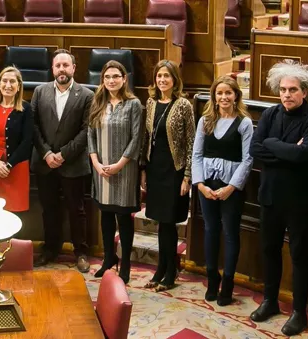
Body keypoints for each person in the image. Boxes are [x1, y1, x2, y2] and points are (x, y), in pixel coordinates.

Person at [248, 60, 308, 336]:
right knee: (269, 250)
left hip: (299, 202)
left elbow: (305, 155)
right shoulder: (269, 115)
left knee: (298, 256)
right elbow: (257, 148)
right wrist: (288, 150)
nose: (286, 95)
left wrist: (275, 146)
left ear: (304, 91)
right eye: (282, 89)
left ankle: (299, 312)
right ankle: (270, 301)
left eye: (292, 89)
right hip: (269, 196)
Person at [191, 75, 253, 306]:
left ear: (236, 95)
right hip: (206, 185)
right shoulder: (205, 120)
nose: (224, 97)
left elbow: (248, 160)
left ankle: (227, 282)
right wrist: (200, 185)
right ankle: (212, 278)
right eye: (220, 93)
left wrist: (231, 187)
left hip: (231, 188)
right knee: (210, 230)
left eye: (228, 92)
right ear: (214, 97)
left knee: (230, 233)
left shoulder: (244, 123)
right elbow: (196, 155)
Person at [31, 49, 94, 273]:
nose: (62, 70)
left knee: (77, 209)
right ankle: (50, 249)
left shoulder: (87, 95)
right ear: (52, 68)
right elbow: (34, 126)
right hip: (44, 163)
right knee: (49, 209)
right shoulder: (40, 91)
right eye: (58, 66)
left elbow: (87, 130)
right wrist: (47, 153)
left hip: (73, 163)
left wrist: (64, 154)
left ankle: (81, 252)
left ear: (74, 68)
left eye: (66, 65)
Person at [140, 59, 195, 292]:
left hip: (175, 171)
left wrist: (187, 177)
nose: (162, 80)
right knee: (161, 223)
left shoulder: (184, 105)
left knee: (170, 223)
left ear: (175, 80)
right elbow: (146, 137)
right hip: (155, 170)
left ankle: (170, 273)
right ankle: (161, 269)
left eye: (167, 76)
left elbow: (191, 142)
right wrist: (143, 170)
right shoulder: (151, 102)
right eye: (159, 76)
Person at [87, 60, 143, 283]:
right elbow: (90, 135)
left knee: (123, 217)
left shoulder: (133, 104)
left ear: (124, 79)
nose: (111, 80)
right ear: (103, 79)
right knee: (106, 216)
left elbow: (137, 137)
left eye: (116, 77)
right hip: (101, 170)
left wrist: (120, 164)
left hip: (125, 170)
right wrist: (96, 163)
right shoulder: (97, 101)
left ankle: (126, 263)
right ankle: (109, 259)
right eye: (107, 77)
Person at [0, 66, 32, 212]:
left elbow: (27, 141)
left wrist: (8, 165)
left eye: (12, 81)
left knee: (15, 209)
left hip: (16, 168)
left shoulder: (26, 108)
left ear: (18, 86)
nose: (8, 85)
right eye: (4, 81)